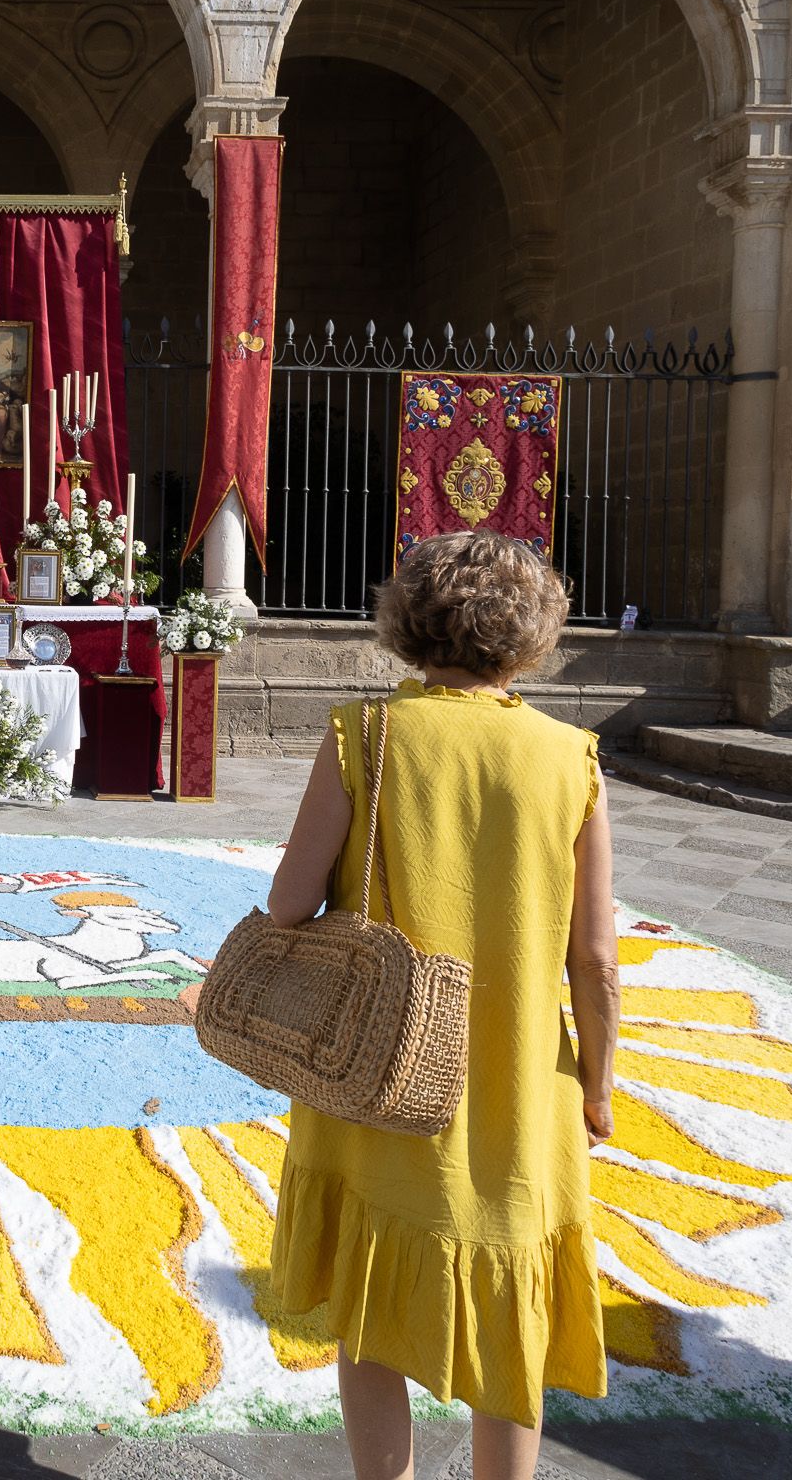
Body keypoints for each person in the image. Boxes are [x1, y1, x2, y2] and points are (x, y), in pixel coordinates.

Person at [260, 529, 617, 1480]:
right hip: (520, 1084)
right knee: (511, 1318)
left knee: (369, 1301)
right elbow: (594, 960)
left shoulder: (365, 735)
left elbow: (288, 905)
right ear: (534, 632)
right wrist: (598, 1088)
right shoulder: (571, 758)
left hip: (378, 1072)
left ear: (408, 620)